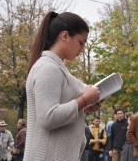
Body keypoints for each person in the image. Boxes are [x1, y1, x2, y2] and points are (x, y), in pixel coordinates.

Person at [24, 11, 101, 161]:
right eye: (81, 42)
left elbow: (58, 108)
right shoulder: (48, 68)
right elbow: (48, 117)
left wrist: (83, 106)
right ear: (65, 36)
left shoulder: (56, 68)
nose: (83, 49)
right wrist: (83, 100)